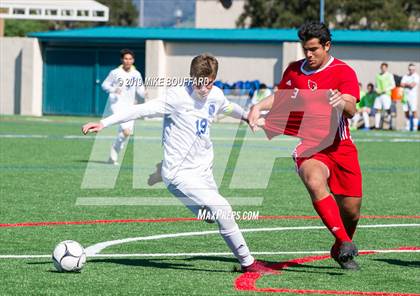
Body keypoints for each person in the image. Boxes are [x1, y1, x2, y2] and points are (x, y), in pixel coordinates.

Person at [82, 54, 274, 274]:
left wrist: (248, 117)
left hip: (204, 171)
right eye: (199, 82)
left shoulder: (216, 95)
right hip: (179, 174)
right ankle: (249, 263)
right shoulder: (175, 97)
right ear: (191, 77)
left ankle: (202, 209)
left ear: (214, 79)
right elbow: (139, 110)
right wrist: (104, 122)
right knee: (223, 210)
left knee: (212, 215)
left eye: (209, 82)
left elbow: (227, 107)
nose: (204, 88)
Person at [249, 21, 362, 270]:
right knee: (313, 180)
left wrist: (340, 102)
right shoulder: (293, 71)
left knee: (352, 211)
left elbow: (352, 109)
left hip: (341, 147)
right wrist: (258, 106)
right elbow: (281, 98)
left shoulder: (344, 72)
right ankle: (344, 242)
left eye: (314, 49)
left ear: (327, 46)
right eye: (305, 49)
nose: (308, 54)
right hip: (310, 146)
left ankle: (339, 247)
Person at [101, 49, 146, 165]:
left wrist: (144, 94)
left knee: (126, 134)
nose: (128, 61)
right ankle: (113, 155)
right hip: (116, 105)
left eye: (130, 59)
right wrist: (114, 89)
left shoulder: (136, 74)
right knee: (126, 130)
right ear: (122, 60)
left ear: (133, 60)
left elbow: (140, 89)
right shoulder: (115, 72)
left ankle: (113, 156)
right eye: (126, 59)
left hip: (129, 106)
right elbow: (104, 84)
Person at [374, 63, 395, 130]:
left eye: (384, 67)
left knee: (387, 110)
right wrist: (376, 90)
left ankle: (390, 126)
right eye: (382, 67)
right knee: (377, 110)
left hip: (386, 95)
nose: (383, 69)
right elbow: (376, 85)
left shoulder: (389, 75)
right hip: (379, 95)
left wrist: (385, 90)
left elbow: (393, 85)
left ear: (386, 68)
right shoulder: (377, 75)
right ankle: (377, 126)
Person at [401, 64, 419, 131]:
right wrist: (407, 84)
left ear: (414, 69)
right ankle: (407, 127)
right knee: (406, 111)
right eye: (410, 69)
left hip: (413, 97)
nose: (411, 70)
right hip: (405, 96)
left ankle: (415, 127)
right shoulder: (405, 76)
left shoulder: (416, 76)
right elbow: (401, 84)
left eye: (412, 69)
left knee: (414, 111)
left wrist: (406, 84)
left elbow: (412, 85)